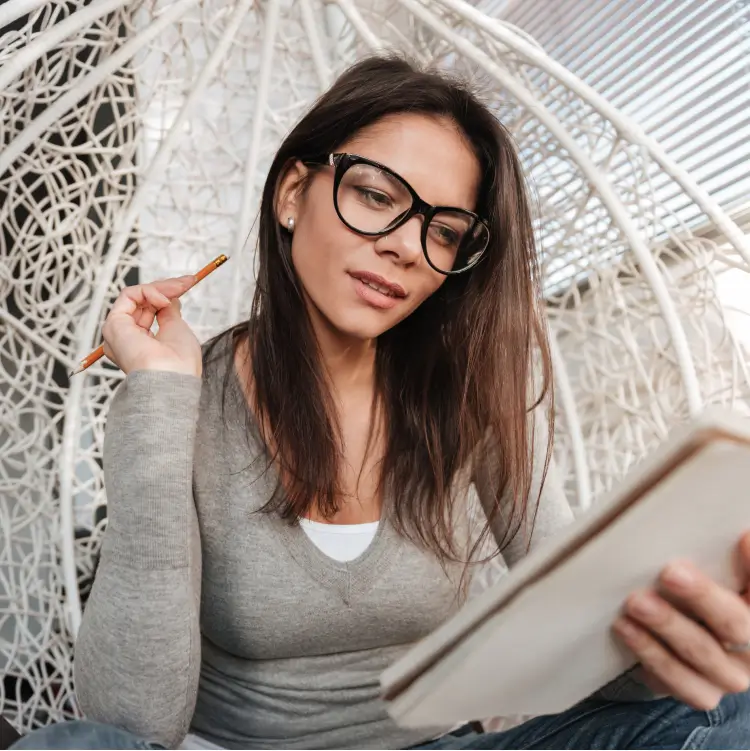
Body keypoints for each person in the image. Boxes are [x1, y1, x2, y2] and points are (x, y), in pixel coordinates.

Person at [13, 54, 750, 751]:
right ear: (293, 193)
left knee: (729, 705)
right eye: (375, 195)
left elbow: (580, 644)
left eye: (442, 231)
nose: (404, 246)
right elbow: (132, 720)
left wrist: (667, 640)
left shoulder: (471, 398)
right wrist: (160, 391)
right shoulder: (180, 399)